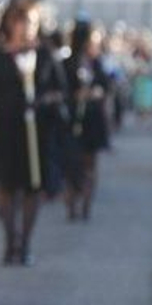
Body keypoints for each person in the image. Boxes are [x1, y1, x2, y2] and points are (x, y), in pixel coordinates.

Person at [0, 0, 65, 266]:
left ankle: (25, 243)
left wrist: (43, 101)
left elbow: (60, 91)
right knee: (6, 187)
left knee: (31, 188)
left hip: (37, 133)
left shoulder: (45, 56)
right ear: (11, 25)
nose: (26, 29)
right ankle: (10, 241)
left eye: (32, 23)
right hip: (6, 132)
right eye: (21, 23)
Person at [62, 21, 111, 221]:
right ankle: (72, 201)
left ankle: (86, 205)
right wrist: (76, 95)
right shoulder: (69, 63)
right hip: (73, 120)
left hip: (92, 120)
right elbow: (63, 89)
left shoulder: (98, 64)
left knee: (90, 164)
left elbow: (106, 85)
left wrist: (97, 93)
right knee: (72, 163)